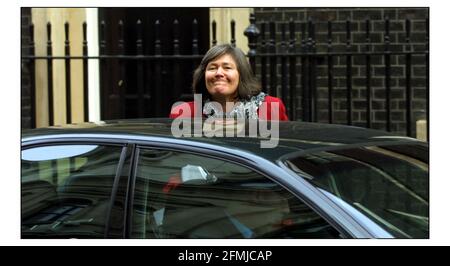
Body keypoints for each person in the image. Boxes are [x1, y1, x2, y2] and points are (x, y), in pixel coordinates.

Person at [169, 44, 289, 121]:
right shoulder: (183, 114)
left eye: (227, 68)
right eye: (212, 68)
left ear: (241, 74)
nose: (219, 73)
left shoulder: (270, 107)